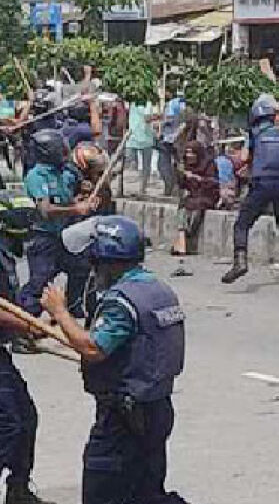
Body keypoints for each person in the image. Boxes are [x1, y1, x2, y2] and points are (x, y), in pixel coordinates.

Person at [41, 216, 188, 504]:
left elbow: (94, 348)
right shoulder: (157, 290)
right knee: (145, 490)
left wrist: (59, 311)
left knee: (103, 489)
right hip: (155, 407)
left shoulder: (121, 300)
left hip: (124, 416)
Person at [222, 94, 279, 285]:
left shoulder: (254, 134)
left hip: (262, 184)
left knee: (242, 224)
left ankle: (240, 261)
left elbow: (244, 158)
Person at [0, 190, 50, 504]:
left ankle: (18, 491)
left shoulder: (5, 251)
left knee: (26, 417)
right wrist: (32, 326)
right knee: (9, 424)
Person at [17, 130, 94, 319]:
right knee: (40, 283)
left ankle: (72, 307)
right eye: (61, 150)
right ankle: (25, 324)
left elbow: (68, 200)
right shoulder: (37, 176)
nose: (65, 153)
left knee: (81, 267)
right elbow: (45, 210)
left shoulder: (66, 173)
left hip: (65, 235)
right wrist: (76, 210)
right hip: (43, 238)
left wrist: (82, 198)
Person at [171, 141, 218, 257]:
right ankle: (182, 238)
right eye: (187, 153)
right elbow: (183, 185)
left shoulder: (208, 164)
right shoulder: (187, 165)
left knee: (197, 207)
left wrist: (196, 178)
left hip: (207, 196)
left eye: (192, 153)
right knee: (183, 206)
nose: (189, 156)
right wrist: (180, 175)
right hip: (193, 195)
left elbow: (213, 183)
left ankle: (185, 240)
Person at [124, 100, 158, 197]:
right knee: (145, 166)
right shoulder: (149, 103)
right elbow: (147, 118)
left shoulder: (133, 102)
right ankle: (141, 189)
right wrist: (159, 116)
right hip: (144, 138)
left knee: (131, 164)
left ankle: (135, 189)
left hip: (133, 137)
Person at [157, 90, 185, 197]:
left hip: (169, 138)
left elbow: (169, 119)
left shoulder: (173, 103)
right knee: (179, 164)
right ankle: (178, 189)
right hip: (180, 139)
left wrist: (161, 124)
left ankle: (169, 188)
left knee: (163, 164)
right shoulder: (186, 104)